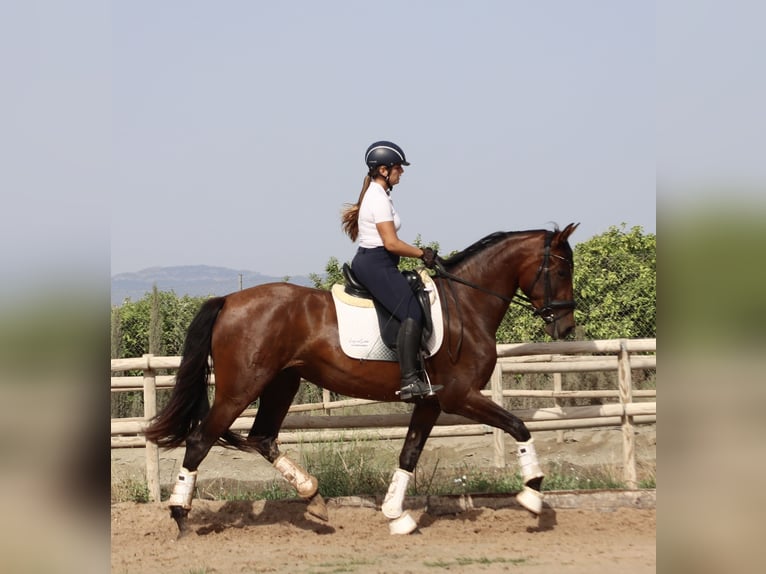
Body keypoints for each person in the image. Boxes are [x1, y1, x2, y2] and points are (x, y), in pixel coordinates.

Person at [341, 140, 443, 401]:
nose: (402, 172)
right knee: (411, 311)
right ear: (384, 170)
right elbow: (391, 243)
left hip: (377, 261)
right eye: (399, 167)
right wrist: (423, 253)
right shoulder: (377, 198)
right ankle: (410, 381)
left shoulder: (380, 195)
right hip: (376, 262)